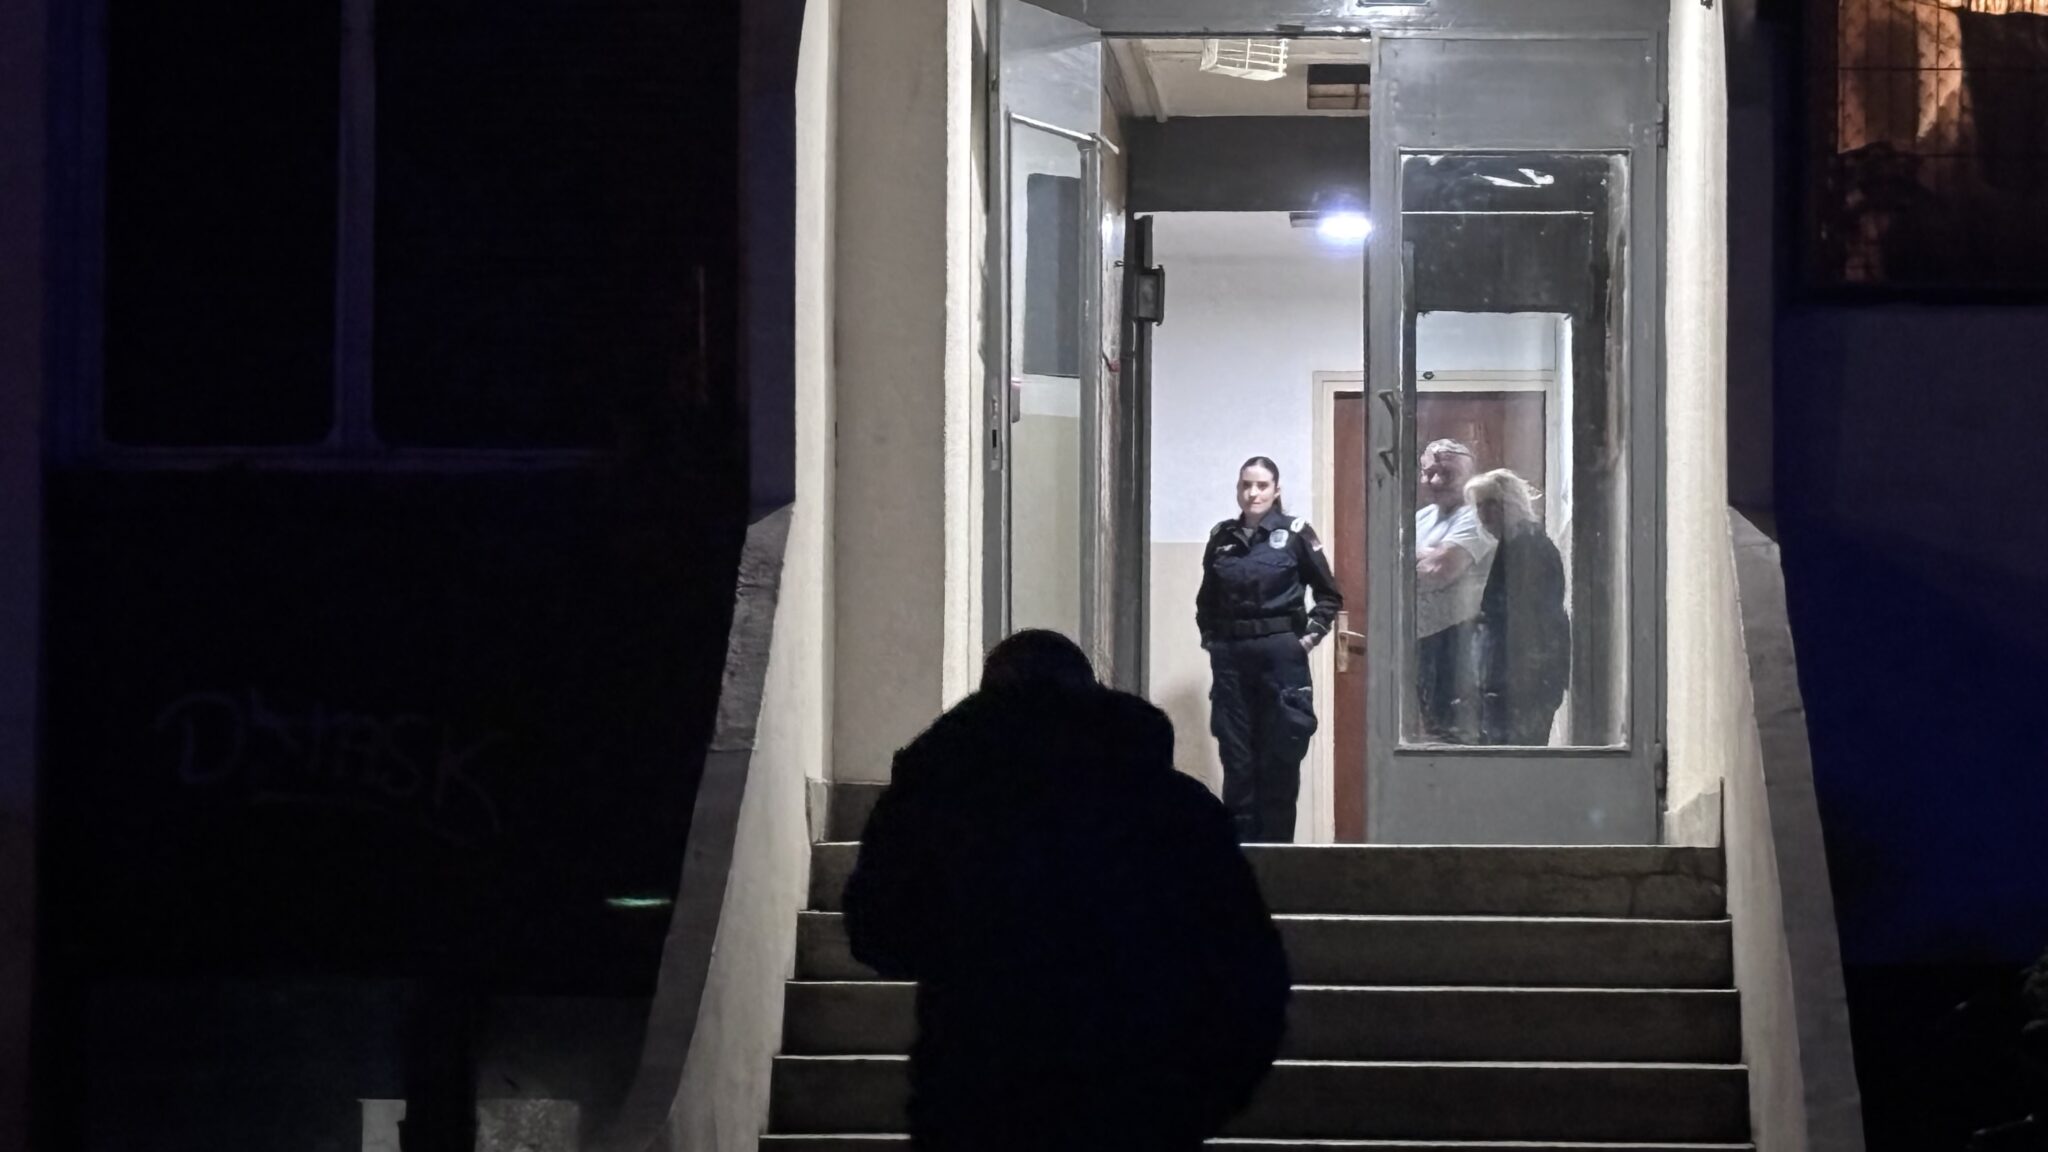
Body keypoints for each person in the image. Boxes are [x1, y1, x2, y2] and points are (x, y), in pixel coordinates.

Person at [843, 630, 1290, 1152]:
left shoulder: (939, 804)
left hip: (979, 1099)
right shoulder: (1173, 808)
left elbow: (878, 932)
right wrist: (1196, 1100)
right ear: (1091, 691)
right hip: (1135, 1102)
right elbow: (1248, 970)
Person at [1196, 456, 1343, 844]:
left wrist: (1307, 638)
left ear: (1276, 490)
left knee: (1279, 761)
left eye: (1262, 485)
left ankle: (1278, 863)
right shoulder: (1222, 538)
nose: (1253, 493)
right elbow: (1206, 601)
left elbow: (1329, 595)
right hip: (1233, 660)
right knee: (1238, 763)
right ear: (1238, 489)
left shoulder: (1295, 534)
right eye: (1246, 485)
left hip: (1281, 659)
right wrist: (1212, 640)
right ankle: (1240, 860)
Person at [1465, 469, 1571, 745]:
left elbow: (1529, 619)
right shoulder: (1511, 546)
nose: (1484, 513)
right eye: (1479, 506)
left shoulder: (1528, 547)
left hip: (1525, 678)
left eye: (1491, 503)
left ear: (1510, 504)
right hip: (1515, 676)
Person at [1414, 439, 1495, 742]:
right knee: (1429, 736)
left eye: (1447, 473)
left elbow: (1438, 570)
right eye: (1428, 473)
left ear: (1470, 474)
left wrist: (1420, 557)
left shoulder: (1477, 516)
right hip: (1421, 642)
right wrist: (1427, 556)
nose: (1435, 481)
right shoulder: (1422, 517)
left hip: (1460, 642)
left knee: (1459, 738)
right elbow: (1386, 565)